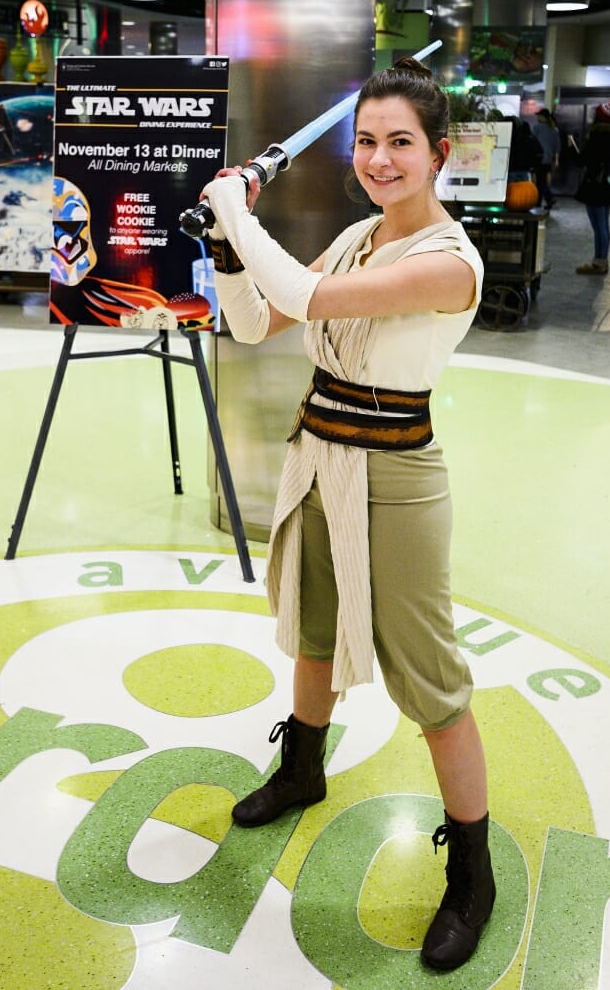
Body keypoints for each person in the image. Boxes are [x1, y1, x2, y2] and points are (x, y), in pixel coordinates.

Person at [199, 57, 495, 972]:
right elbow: (258, 324)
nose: (379, 158)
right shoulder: (361, 236)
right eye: (366, 142)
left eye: (400, 142)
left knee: (431, 683)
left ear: (439, 152)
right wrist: (219, 242)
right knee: (314, 629)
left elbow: (305, 297)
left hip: (396, 479)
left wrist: (240, 209)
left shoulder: (448, 262)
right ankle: (302, 766)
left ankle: (473, 873)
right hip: (318, 454)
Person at [574, 99, 610, 275]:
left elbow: (583, 160)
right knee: (602, 224)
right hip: (607, 184)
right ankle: (599, 261)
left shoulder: (599, 136)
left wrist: (573, 149)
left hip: (595, 186)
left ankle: (600, 262)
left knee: (599, 226)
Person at [532, 107, 560, 209]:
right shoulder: (554, 129)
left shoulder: (537, 127)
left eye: (539, 115)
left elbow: (533, 142)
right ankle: (540, 202)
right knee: (542, 180)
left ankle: (549, 198)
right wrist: (557, 159)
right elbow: (557, 146)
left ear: (543, 117)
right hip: (548, 159)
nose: (537, 117)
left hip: (539, 158)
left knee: (540, 181)